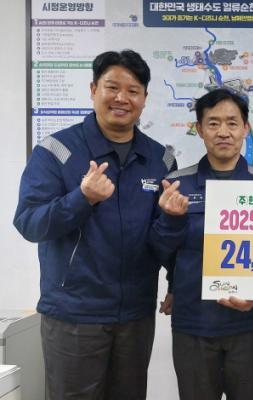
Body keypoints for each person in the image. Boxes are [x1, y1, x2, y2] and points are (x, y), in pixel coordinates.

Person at [13, 49, 176, 399]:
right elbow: (29, 223)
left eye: (133, 90)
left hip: (135, 315)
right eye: (112, 87)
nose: (121, 98)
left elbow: (165, 235)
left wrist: (177, 281)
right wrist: (82, 198)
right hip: (73, 314)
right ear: (93, 90)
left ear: (144, 98)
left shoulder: (159, 159)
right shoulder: (56, 151)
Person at [149, 87, 253, 400]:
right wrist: (171, 219)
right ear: (199, 129)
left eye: (232, 123)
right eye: (213, 123)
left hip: (251, 325)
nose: (223, 132)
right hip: (193, 324)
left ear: (246, 128)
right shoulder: (177, 184)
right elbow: (159, 250)